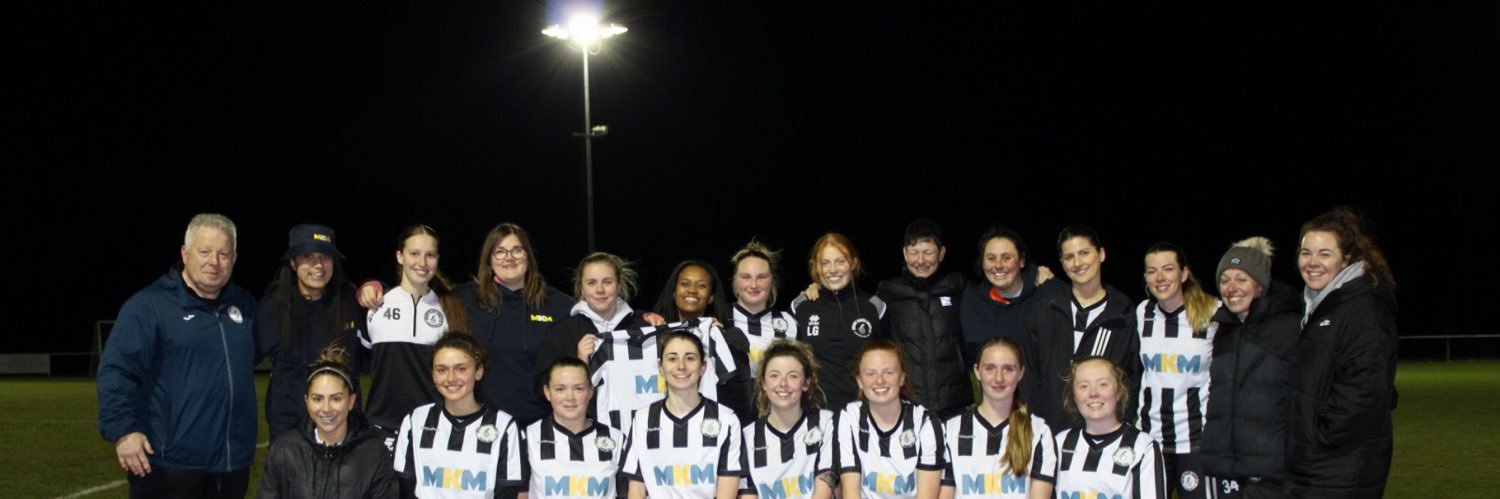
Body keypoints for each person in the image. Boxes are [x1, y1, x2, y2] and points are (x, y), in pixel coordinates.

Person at [97, 213, 258, 498]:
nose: (214, 262)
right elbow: (117, 371)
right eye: (205, 251)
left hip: (232, 464)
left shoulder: (244, 305)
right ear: (185, 253)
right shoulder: (149, 306)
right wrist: (123, 431)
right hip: (168, 464)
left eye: (223, 254)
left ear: (234, 258)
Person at [1287, 207, 1398, 498]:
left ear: (1347, 258)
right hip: (1317, 464)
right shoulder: (1320, 304)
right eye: (1306, 252)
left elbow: (1367, 387)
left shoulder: (1362, 307)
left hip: (1341, 464)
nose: (1312, 262)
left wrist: (1321, 435)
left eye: (1325, 254)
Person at [1200, 237, 1301, 498]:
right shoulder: (1224, 328)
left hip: (1271, 474)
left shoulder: (1290, 328)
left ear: (1260, 285)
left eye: (1241, 279)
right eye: (1225, 280)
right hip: (1227, 472)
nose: (1231, 288)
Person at [1023, 225, 1138, 431]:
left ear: (1101, 254)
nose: (1077, 263)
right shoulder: (1045, 310)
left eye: (1084, 253)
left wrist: (1121, 426)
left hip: (1103, 435)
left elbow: (1132, 378)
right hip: (1050, 435)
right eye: (1069, 257)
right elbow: (1029, 377)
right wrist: (1033, 428)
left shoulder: (1122, 313)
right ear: (1062, 263)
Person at [258, 224, 365, 441]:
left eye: (325, 256)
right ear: (292, 262)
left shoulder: (350, 301)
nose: (318, 264)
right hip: (289, 433)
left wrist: (376, 285)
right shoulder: (272, 307)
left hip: (344, 432)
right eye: (307, 256)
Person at [459, 223, 574, 425]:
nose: (509, 258)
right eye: (500, 252)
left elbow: (600, 311)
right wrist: (382, 288)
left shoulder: (558, 305)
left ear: (528, 256)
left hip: (540, 424)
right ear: (489, 260)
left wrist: (641, 317)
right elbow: (421, 292)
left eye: (517, 250)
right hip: (484, 424)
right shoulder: (466, 298)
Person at [363, 225, 470, 437]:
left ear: (437, 259)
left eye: (430, 255)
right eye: (414, 254)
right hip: (381, 428)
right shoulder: (375, 305)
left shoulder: (450, 309)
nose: (422, 263)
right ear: (400, 256)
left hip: (434, 428)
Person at [394, 331, 526, 499]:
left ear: (478, 372)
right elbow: (404, 488)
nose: (451, 378)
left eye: (461, 369)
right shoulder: (415, 420)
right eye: (442, 370)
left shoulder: (504, 426)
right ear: (433, 375)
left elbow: (507, 493)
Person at [256, 346, 397, 498]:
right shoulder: (284, 451)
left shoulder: (374, 455)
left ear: (351, 401)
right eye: (317, 399)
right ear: (306, 401)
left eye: (336, 399)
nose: (326, 408)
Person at [1133, 242, 1217, 499]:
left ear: (1183, 274)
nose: (1160, 278)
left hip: (1196, 440)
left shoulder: (1212, 312)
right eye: (1152, 271)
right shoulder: (1142, 312)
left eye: (1168, 269)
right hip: (1150, 438)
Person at [621, 330, 746, 499]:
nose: (681, 366)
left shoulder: (726, 420)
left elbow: (727, 493)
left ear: (703, 367)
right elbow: (636, 490)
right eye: (672, 358)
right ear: (660, 367)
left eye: (690, 358)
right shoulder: (642, 419)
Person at [874, 220, 970, 419]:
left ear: (941, 253)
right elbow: (855, 313)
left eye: (928, 252)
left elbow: (1000, 292)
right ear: (904, 253)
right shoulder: (887, 292)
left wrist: (1033, 276)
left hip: (955, 405)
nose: (920, 260)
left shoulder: (959, 287)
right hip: (906, 405)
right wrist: (815, 293)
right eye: (914, 252)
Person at [940, 338, 1056, 499]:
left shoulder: (1039, 431)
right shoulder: (950, 430)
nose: (999, 378)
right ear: (977, 371)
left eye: (1008, 369)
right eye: (990, 368)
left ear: (1021, 373)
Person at [833, 339, 944, 499]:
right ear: (859, 381)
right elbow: (851, 492)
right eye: (870, 373)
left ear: (902, 378)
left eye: (888, 372)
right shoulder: (849, 417)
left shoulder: (926, 423)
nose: (879, 380)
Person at [791, 233, 887, 408]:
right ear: (816, 267)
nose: (832, 270)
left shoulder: (875, 307)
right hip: (815, 414)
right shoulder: (800, 307)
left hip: (865, 412)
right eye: (825, 263)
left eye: (840, 261)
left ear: (854, 263)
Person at [1052, 357, 1166, 499]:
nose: (1093, 393)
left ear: (1118, 392)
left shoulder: (1143, 447)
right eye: (1084, 386)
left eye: (1103, 384)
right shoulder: (1059, 443)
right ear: (1074, 397)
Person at [652, 260, 754, 416]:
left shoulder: (731, 338)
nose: (692, 290)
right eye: (685, 284)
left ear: (711, 297)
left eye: (701, 286)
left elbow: (742, 400)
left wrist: (724, 341)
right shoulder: (651, 336)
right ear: (673, 292)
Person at [738, 340, 837, 499]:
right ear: (763, 383)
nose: (783, 384)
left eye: (793, 376)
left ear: (806, 383)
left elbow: (824, 489)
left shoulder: (825, 423)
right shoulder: (746, 437)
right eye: (774, 375)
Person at [533, 252, 651, 381]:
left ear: (619, 286)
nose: (600, 290)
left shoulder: (644, 328)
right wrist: (579, 363)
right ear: (582, 288)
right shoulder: (563, 332)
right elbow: (542, 385)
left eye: (607, 282)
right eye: (591, 283)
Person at [959, 226, 1065, 368]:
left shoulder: (1050, 293)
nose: (998, 265)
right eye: (991, 258)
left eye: (1006, 258)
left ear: (1021, 260)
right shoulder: (973, 303)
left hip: (1046, 388)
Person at [524, 356, 628, 499]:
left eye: (578, 389)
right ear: (547, 392)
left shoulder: (616, 439)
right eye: (560, 389)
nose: (570, 397)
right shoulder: (528, 438)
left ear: (591, 391)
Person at [727, 240, 799, 379]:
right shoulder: (718, 317)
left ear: (772, 280)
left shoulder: (790, 322)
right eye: (746, 277)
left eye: (761, 277)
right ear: (735, 279)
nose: (753, 285)